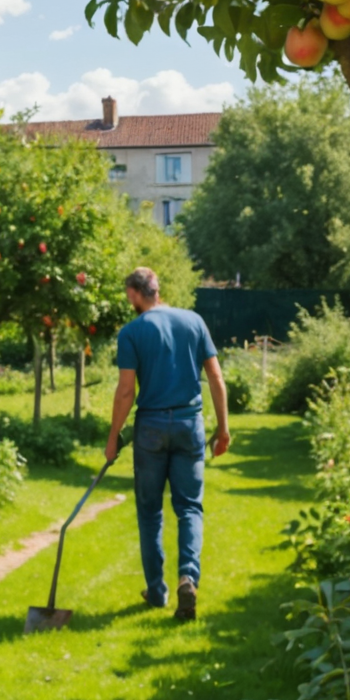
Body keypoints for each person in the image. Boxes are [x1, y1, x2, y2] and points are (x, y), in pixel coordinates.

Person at [104, 266, 231, 622]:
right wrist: (223, 429)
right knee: (190, 507)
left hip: (151, 428)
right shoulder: (194, 322)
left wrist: (113, 438)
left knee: (149, 511)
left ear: (134, 294)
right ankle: (188, 576)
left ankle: (157, 591)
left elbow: (126, 391)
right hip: (190, 424)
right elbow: (216, 378)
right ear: (157, 290)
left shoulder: (132, 333)